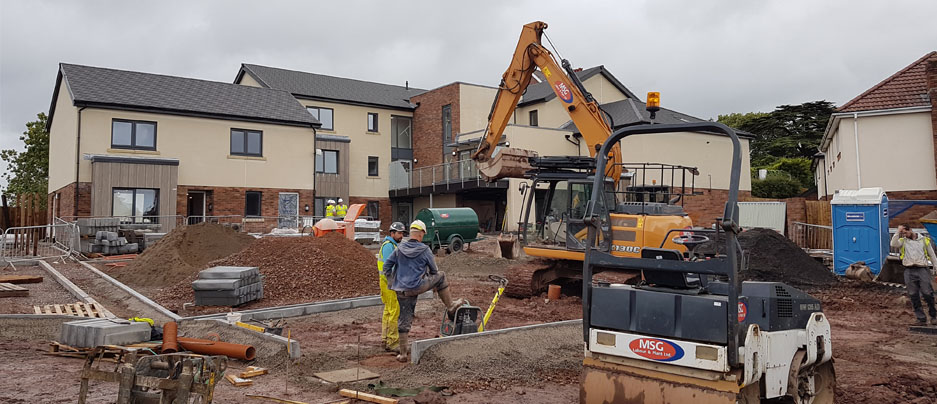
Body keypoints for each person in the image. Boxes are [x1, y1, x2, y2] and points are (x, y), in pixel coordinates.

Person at [383, 219, 463, 362]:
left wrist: (392, 283)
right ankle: (450, 306)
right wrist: (429, 281)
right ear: (420, 234)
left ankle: (402, 354)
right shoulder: (424, 250)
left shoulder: (399, 248)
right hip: (416, 287)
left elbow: (386, 267)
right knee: (441, 276)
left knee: (403, 319)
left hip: (401, 290)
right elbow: (434, 271)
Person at [891, 223, 937, 325]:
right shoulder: (903, 241)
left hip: (922, 269)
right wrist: (898, 232)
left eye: (905, 232)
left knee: (927, 292)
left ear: (910, 230)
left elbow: (932, 255)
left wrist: (936, 267)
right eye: (903, 233)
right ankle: (921, 318)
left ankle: (933, 315)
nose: (905, 235)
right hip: (909, 270)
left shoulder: (923, 240)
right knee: (913, 294)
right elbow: (893, 244)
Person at [376, 222, 406, 352]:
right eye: (399, 233)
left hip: (386, 283)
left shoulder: (391, 245)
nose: (401, 236)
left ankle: (385, 339)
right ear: (392, 233)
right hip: (390, 283)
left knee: (388, 311)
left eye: (402, 233)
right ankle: (393, 342)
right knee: (394, 311)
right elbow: (390, 267)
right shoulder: (389, 246)